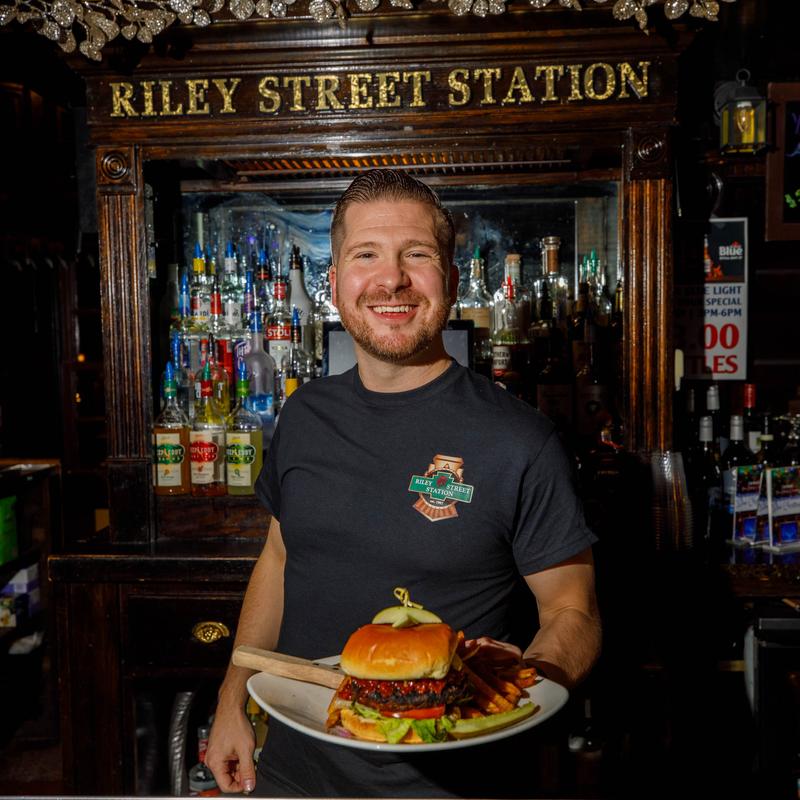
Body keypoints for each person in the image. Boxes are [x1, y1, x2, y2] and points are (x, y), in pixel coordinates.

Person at [206, 169, 601, 798]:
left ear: (450, 278)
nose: (390, 279)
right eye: (366, 255)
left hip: (449, 786)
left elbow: (572, 612)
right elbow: (278, 560)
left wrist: (520, 685)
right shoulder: (304, 416)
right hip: (292, 771)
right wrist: (233, 696)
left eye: (416, 254)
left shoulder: (520, 439)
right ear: (334, 280)